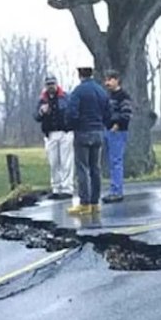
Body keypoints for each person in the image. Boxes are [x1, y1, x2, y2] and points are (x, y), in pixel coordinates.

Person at [66, 64, 110, 215]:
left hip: (83, 132)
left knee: (82, 168)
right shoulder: (101, 91)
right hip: (98, 132)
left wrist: (72, 126)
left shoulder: (78, 91)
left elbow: (72, 112)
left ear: (80, 75)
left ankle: (84, 203)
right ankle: (95, 202)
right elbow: (108, 112)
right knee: (95, 168)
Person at [34, 74, 74, 200]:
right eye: (48, 84)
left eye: (52, 84)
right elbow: (36, 116)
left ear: (56, 84)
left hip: (65, 133)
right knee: (53, 162)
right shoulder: (42, 100)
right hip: (50, 134)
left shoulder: (66, 97)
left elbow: (72, 112)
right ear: (45, 86)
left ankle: (67, 188)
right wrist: (41, 112)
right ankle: (56, 188)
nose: (51, 86)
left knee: (66, 162)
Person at [103, 69, 133, 203]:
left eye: (110, 80)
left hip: (118, 132)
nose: (107, 83)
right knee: (111, 161)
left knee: (116, 162)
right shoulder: (109, 96)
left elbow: (127, 114)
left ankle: (117, 191)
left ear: (117, 80)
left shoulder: (123, 96)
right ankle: (113, 189)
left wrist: (117, 125)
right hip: (108, 130)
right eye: (106, 80)